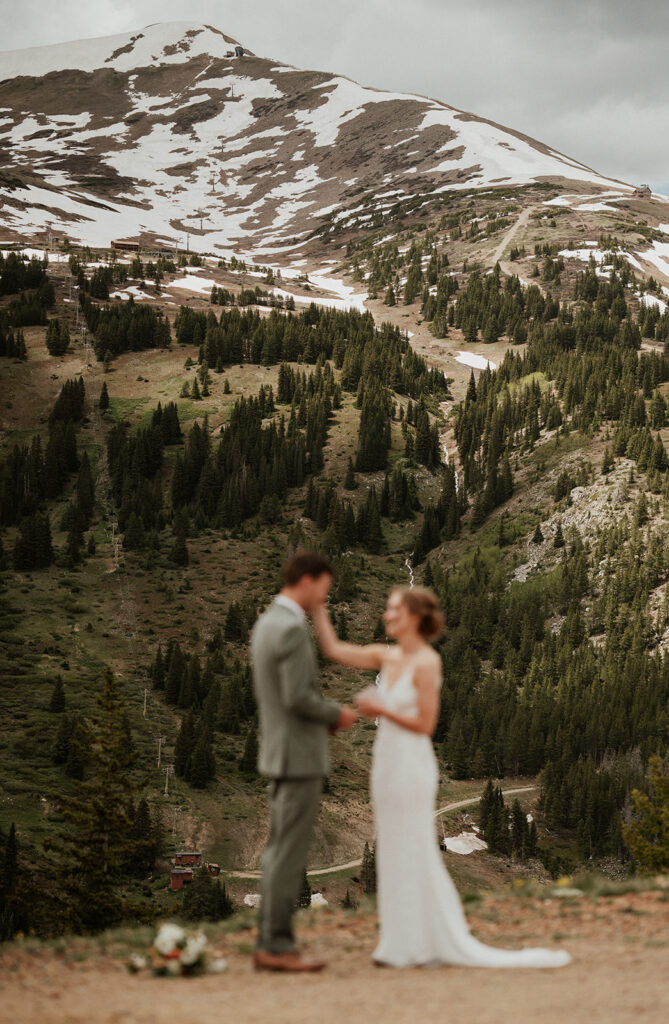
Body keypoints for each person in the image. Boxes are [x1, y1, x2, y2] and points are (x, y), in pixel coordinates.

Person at [313, 585, 571, 969]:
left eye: (394, 610)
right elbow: (335, 649)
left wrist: (381, 707)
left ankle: (424, 939)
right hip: (386, 763)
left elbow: (425, 722)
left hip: (412, 762)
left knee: (412, 847)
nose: (386, 616)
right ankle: (400, 942)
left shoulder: (427, 662)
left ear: (415, 617)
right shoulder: (388, 655)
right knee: (392, 849)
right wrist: (316, 608)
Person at [251, 551, 358, 972]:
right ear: (309, 581)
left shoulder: (266, 624)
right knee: (289, 854)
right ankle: (276, 946)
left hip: (279, 751)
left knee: (277, 850)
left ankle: (269, 939)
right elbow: (298, 697)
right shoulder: (293, 628)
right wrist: (337, 715)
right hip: (299, 757)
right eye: (325, 588)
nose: (325, 596)